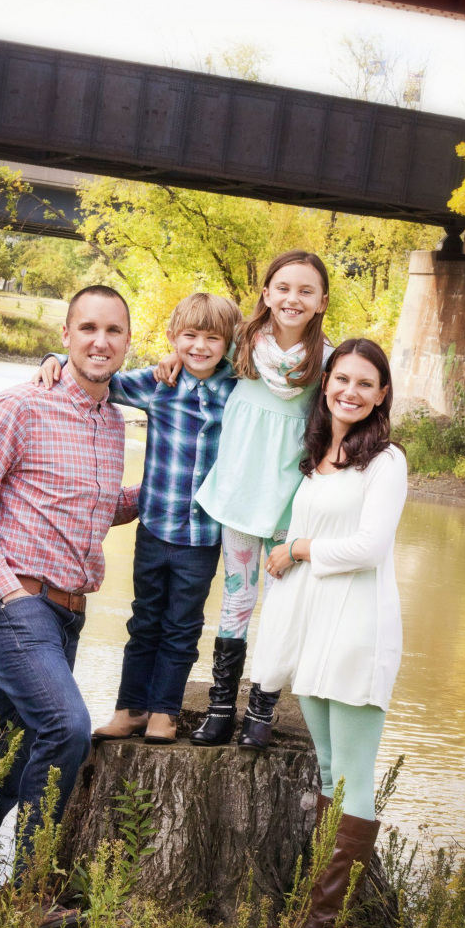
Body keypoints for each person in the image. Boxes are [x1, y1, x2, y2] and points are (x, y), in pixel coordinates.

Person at [0, 285, 139, 905]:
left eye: (113, 330)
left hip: (67, 614)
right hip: (15, 606)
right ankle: (30, 897)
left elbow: (91, 506)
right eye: (88, 328)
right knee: (67, 727)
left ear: (129, 342)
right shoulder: (21, 406)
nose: (100, 341)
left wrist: (160, 495)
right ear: (66, 336)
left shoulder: (113, 423)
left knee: (6, 758)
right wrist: (9, 594)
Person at [249, 338, 408, 928]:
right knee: (325, 773)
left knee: (351, 778)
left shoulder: (385, 461)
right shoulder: (318, 456)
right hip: (315, 630)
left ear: (382, 394)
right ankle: (314, 923)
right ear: (327, 383)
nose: (351, 392)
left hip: (358, 631)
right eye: (342, 379)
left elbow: (369, 548)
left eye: (365, 384)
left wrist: (299, 549)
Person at [37, 293, 241, 744]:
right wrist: (55, 358)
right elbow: (97, 375)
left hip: (203, 537)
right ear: (172, 337)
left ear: (230, 343)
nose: (200, 347)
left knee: (182, 627)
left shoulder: (239, 390)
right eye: (190, 336)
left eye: (213, 339)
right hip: (153, 529)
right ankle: (130, 709)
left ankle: (164, 713)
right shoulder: (157, 383)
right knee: (144, 620)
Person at [157, 250, 334, 750]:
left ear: (322, 301)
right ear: (266, 293)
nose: (293, 299)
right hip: (239, 494)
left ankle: (261, 711)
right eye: (283, 288)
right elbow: (199, 349)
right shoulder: (242, 343)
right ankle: (219, 709)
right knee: (236, 597)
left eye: (305, 291)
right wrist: (174, 356)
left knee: (280, 606)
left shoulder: (327, 360)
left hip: (290, 503)